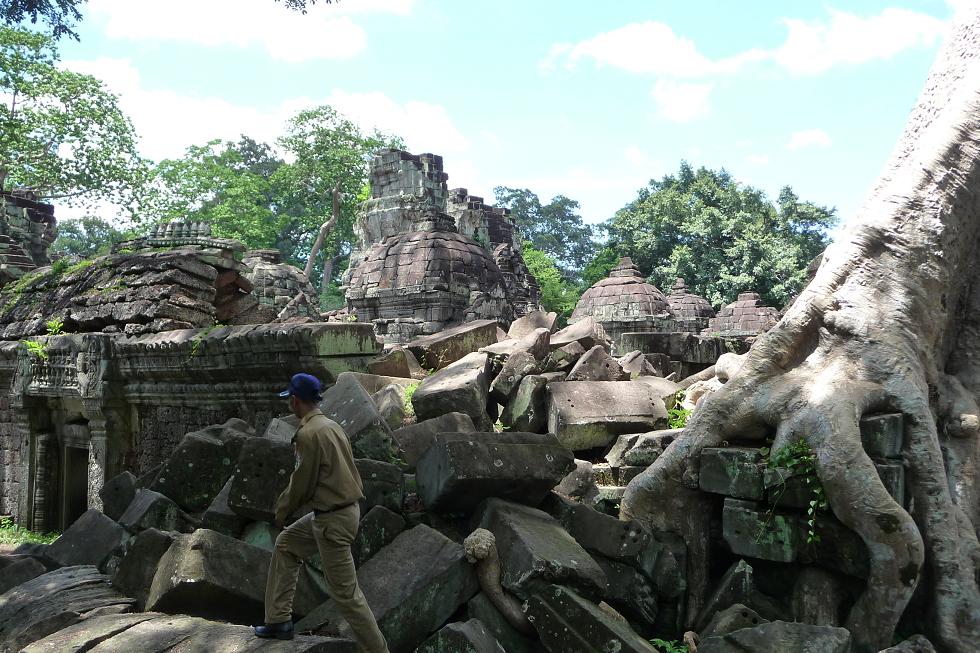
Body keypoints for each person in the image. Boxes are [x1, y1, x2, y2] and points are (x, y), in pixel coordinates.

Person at [255, 372, 389, 653]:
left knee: (346, 595)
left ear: (295, 401)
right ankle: (278, 620)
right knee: (287, 544)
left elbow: (301, 483)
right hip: (340, 512)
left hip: (332, 521)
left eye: (290, 400)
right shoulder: (331, 426)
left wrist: (281, 511)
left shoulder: (308, 434)